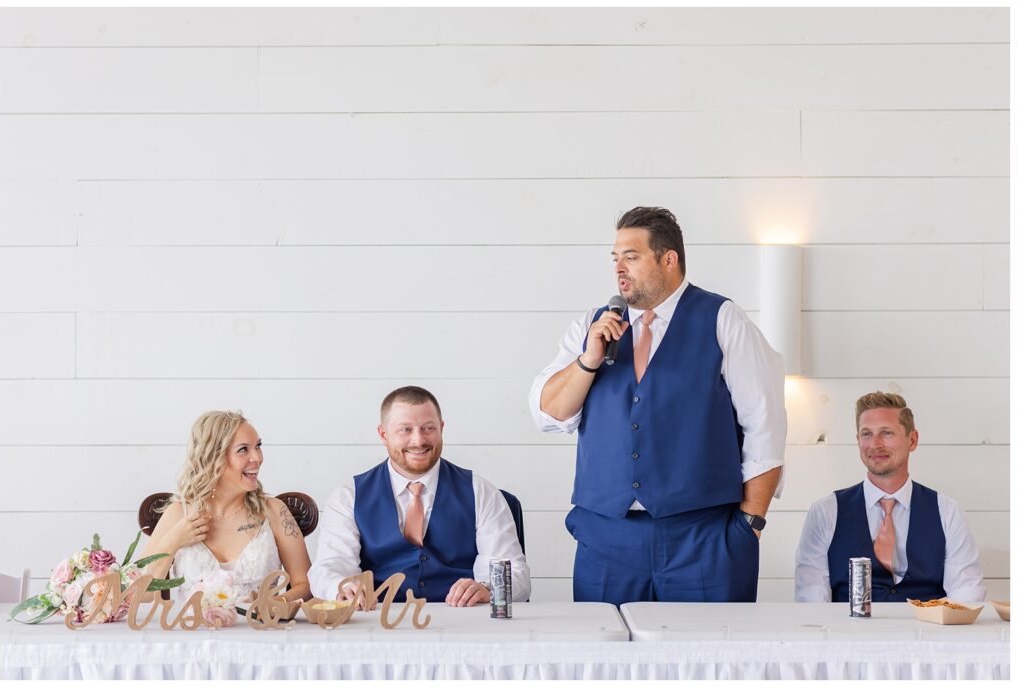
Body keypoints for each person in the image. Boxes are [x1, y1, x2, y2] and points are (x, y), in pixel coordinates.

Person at [529, 206, 786, 604]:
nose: (619, 269)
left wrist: (748, 525)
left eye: (631, 257)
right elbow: (547, 413)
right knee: (607, 662)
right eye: (615, 259)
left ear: (669, 259)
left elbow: (765, 426)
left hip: (702, 537)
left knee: (708, 659)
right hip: (607, 539)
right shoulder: (591, 326)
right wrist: (588, 361)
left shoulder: (722, 320)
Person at [309, 386, 530, 607]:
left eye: (428, 428)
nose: (418, 440)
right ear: (383, 434)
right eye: (405, 429)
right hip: (378, 623)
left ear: (441, 428)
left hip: (464, 622)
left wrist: (487, 588)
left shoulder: (481, 492)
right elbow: (329, 567)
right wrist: (341, 587)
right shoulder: (348, 497)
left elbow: (517, 574)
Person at [794, 392, 985, 603]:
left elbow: (966, 591)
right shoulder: (825, 512)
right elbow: (811, 600)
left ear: (912, 440)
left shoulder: (947, 511)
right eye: (866, 434)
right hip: (850, 634)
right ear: (858, 440)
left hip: (928, 632)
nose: (875, 444)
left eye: (886, 433)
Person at [141, 411, 312, 606]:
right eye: (243, 450)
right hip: (193, 634)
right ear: (214, 458)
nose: (257, 457)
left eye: (258, 446)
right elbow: (142, 595)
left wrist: (273, 604)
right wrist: (172, 543)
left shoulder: (274, 511)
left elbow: (306, 584)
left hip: (263, 632)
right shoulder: (178, 514)